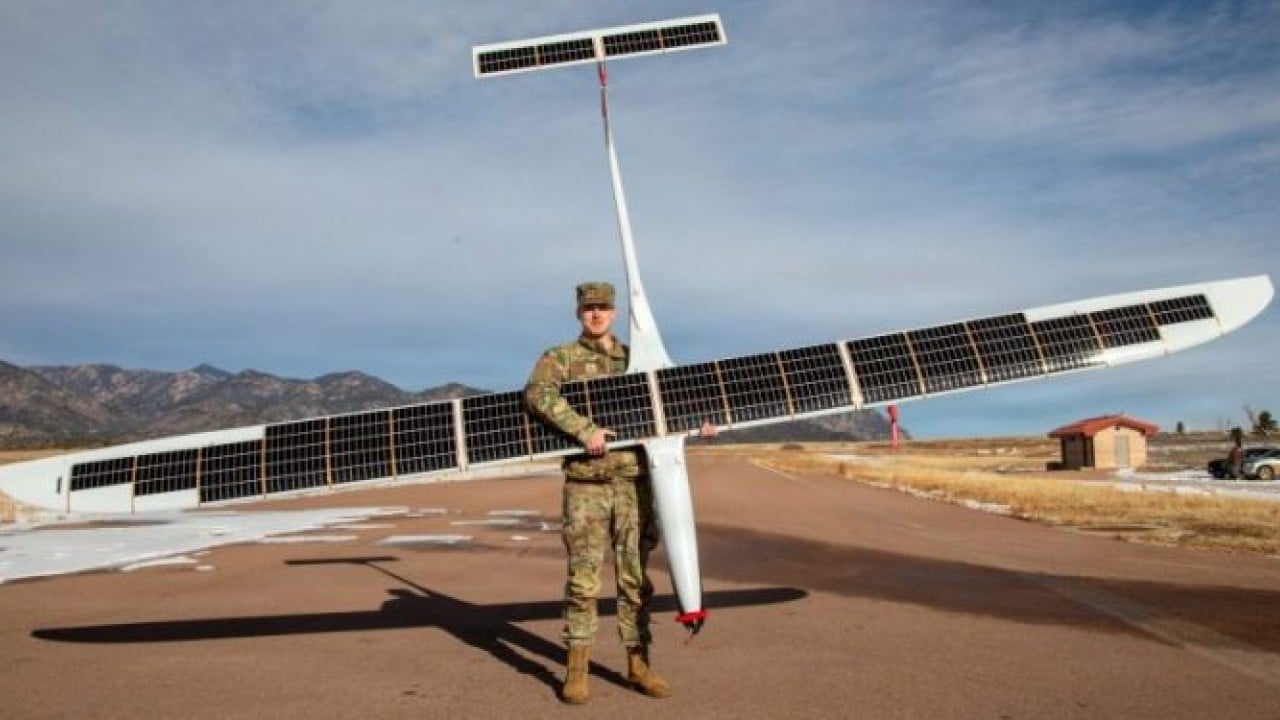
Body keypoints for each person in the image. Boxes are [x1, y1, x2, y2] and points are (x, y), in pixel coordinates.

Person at [525, 281, 708, 705]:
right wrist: (583, 428)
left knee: (635, 580)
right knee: (583, 581)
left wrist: (699, 426)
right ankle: (577, 669)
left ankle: (638, 664)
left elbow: (671, 407)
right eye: (589, 308)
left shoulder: (635, 359)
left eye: (603, 307)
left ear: (615, 311)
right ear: (578, 313)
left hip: (634, 485)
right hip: (586, 485)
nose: (596, 314)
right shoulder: (560, 358)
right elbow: (537, 394)